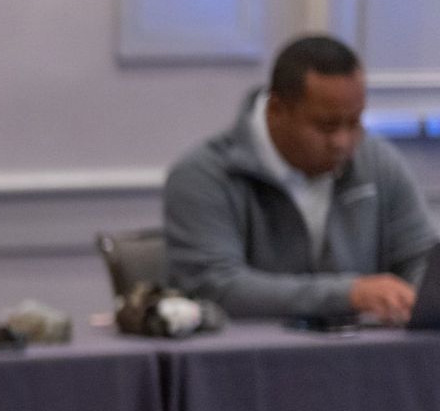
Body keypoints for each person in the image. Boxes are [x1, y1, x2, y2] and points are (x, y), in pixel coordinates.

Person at [164, 34, 437, 322]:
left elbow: (421, 261)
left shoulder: (378, 163)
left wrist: (417, 299)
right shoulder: (204, 176)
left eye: (355, 122)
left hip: (363, 358)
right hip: (251, 362)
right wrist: (349, 295)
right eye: (326, 126)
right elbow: (216, 289)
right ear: (276, 110)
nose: (343, 142)